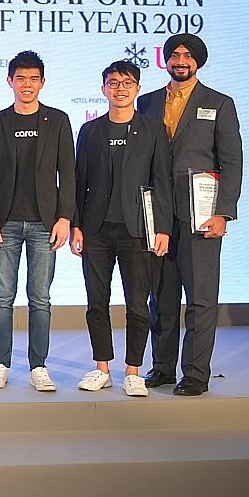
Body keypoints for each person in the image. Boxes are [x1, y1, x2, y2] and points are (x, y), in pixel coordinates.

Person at [139, 33, 243, 396]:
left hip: (201, 215)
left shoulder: (219, 103)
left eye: (188, 55)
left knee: (200, 298)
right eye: (174, 55)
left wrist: (224, 213)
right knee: (161, 298)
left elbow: (231, 162)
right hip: (158, 215)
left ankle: (196, 374)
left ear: (199, 61)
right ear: (165, 60)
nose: (180, 60)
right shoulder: (147, 102)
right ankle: (163, 368)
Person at [73, 61, 172, 397]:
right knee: (96, 302)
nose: (120, 89)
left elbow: (162, 182)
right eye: (113, 83)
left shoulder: (153, 129)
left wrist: (163, 228)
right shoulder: (90, 131)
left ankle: (133, 370)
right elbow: (79, 182)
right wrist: (76, 226)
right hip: (96, 229)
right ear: (103, 89)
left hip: (138, 230)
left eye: (127, 83)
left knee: (137, 305)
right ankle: (102, 367)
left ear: (138, 89)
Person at [0, 50, 75, 392]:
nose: (26, 85)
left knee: (40, 298)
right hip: (4, 223)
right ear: (10, 81)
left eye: (33, 79)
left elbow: (68, 173)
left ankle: (39, 366)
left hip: (44, 223)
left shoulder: (59, 120)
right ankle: (0, 364)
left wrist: (65, 217)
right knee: (2, 296)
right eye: (20, 78)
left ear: (42, 82)